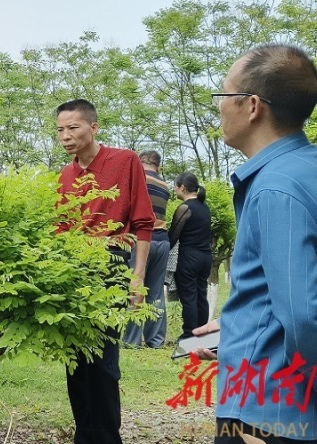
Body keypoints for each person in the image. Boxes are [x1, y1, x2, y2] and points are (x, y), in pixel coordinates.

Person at [191, 43, 317, 443]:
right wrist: (238, 324)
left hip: (273, 413)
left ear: (251, 106)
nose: (218, 108)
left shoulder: (275, 189)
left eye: (222, 95)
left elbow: (303, 315)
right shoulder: (310, 168)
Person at [55, 99, 155, 444]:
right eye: (60, 130)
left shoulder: (124, 161)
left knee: (103, 363)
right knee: (75, 361)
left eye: (73, 128)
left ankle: (108, 437)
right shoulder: (66, 175)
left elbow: (144, 222)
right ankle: (84, 435)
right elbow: (60, 229)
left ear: (93, 127)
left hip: (111, 263)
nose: (65, 136)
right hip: (72, 269)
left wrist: (137, 277)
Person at [122, 150, 171, 348]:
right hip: (162, 240)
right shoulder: (165, 185)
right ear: (158, 166)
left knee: (135, 286)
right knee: (156, 292)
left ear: (140, 162)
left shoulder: (139, 179)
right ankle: (156, 340)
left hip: (142, 241)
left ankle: (132, 340)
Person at [168, 172, 212, 339]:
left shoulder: (185, 208)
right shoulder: (204, 207)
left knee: (189, 296)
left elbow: (173, 237)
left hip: (189, 257)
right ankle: (203, 332)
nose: (175, 190)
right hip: (206, 257)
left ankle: (189, 334)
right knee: (201, 295)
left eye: (176, 186)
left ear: (183, 188)